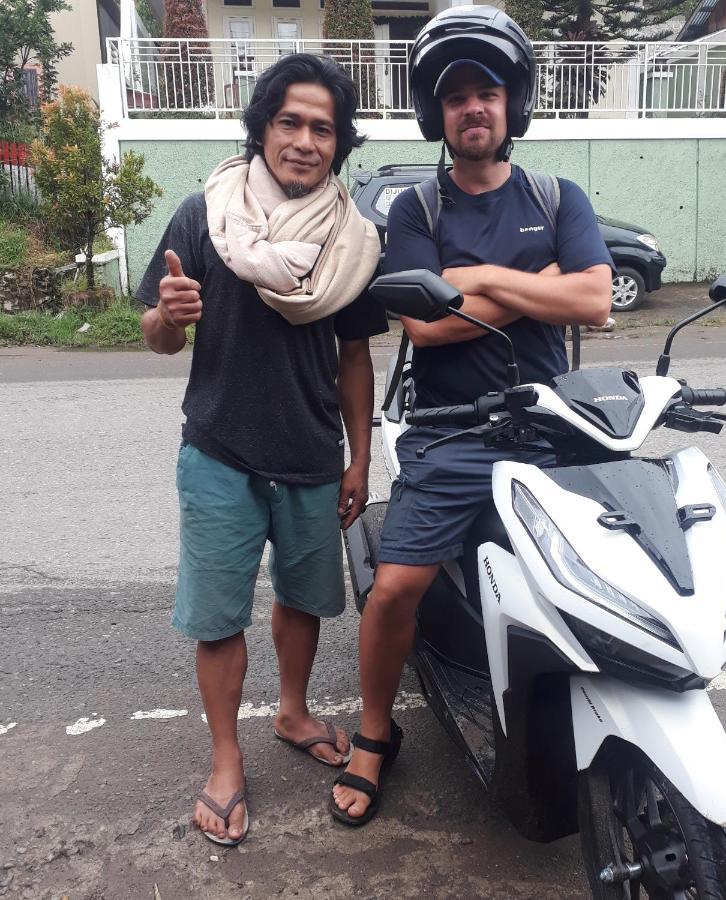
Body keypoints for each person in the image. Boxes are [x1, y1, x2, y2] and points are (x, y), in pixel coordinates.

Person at [330, 5, 614, 826]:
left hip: (557, 427)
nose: (473, 109)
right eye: (455, 98)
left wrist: (482, 275)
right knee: (395, 589)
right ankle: (377, 735)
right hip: (453, 430)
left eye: (486, 92)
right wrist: (539, 282)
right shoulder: (417, 211)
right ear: (437, 114)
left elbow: (594, 301)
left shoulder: (559, 193)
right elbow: (426, 323)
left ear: (512, 103)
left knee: (611, 571)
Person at [137, 53, 386, 846]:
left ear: (339, 143)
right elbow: (157, 340)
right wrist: (171, 316)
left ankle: (293, 710)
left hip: (312, 456)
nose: (305, 141)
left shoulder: (352, 240)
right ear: (262, 127)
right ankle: (224, 759)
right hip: (219, 452)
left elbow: (355, 356)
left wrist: (358, 457)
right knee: (217, 619)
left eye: (323, 128)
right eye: (290, 122)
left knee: (303, 602)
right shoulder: (205, 214)